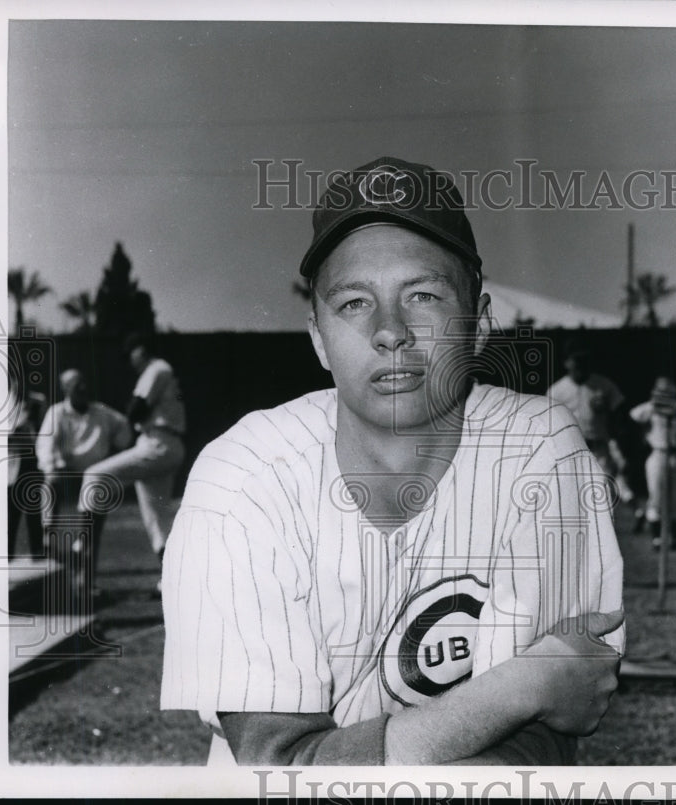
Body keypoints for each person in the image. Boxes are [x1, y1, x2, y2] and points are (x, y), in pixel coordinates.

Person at [160, 156, 624, 766]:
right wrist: (521, 686)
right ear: (319, 338)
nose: (390, 331)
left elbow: (553, 726)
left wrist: (531, 700)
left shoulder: (541, 450)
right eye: (354, 303)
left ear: (479, 324)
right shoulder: (244, 475)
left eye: (424, 295)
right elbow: (280, 765)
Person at [80, 332, 186, 585]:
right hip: (162, 442)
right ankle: (172, 582)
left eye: (133, 351)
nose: (130, 358)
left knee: (94, 475)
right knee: (157, 522)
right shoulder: (160, 370)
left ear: (143, 349)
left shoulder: (156, 367)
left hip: (158, 443)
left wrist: (126, 419)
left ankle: (80, 545)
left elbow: (136, 409)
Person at [35, 369, 132, 596]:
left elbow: (125, 431)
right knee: (50, 482)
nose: (83, 389)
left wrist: (117, 452)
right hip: (66, 475)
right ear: (65, 389)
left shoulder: (103, 412)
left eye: (84, 384)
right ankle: (48, 535)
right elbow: (45, 446)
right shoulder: (56, 413)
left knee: (92, 527)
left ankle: (86, 581)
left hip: (94, 477)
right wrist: (54, 469)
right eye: (76, 385)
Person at [546, 341, 628, 488]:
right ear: (566, 363)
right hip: (569, 451)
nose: (580, 364)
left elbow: (619, 414)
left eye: (584, 359)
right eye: (576, 360)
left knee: (602, 495)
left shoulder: (603, 385)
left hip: (599, 448)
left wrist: (617, 448)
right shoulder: (556, 391)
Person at [629, 377, 676, 550]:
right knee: (656, 496)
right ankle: (657, 538)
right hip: (658, 453)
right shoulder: (649, 408)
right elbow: (634, 416)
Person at [7, 371, 47, 560]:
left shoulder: (37, 401)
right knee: (10, 511)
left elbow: (45, 431)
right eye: (16, 380)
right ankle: (7, 555)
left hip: (31, 458)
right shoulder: (2, 404)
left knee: (33, 508)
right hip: (9, 460)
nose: (20, 385)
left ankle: (37, 553)